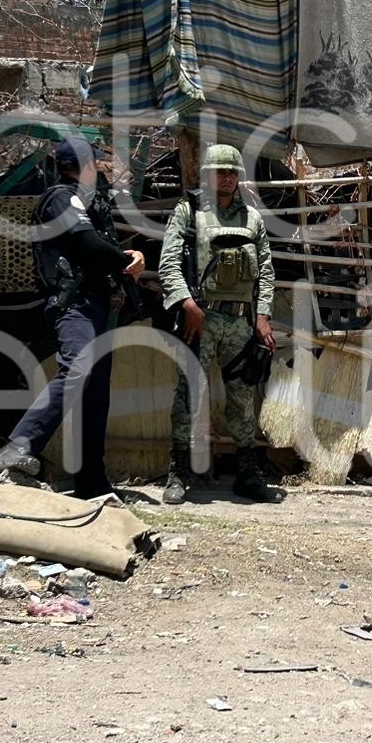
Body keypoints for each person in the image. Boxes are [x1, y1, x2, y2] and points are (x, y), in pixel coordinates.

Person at [0, 137, 145, 497]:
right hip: (75, 305)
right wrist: (126, 260)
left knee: (95, 395)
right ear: (85, 164)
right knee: (79, 369)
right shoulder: (61, 198)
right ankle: (21, 444)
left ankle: (93, 483)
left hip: (98, 306)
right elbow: (88, 245)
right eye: (96, 162)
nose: (100, 169)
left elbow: (99, 246)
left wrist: (128, 258)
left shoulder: (88, 201)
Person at [158, 143, 276, 504]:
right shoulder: (187, 212)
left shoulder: (252, 218)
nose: (226, 178)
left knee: (242, 398)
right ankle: (178, 473)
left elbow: (266, 271)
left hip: (241, 323)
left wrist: (263, 315)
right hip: (201, 319)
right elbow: (168, 263)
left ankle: (248, 475)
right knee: (189, 395)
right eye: (219, 172)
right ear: (206, 175)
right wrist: (187, 304)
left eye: (231, 172)